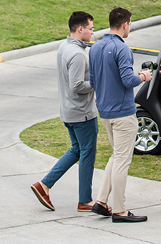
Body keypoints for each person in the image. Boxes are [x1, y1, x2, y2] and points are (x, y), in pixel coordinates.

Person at [89, 7, 153, 223]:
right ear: (125, 24)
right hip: (123, 113)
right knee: (123, 160)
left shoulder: (96, 47)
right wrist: (143, 76)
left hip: (105, 111)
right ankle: (120, 210)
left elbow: (93, 80)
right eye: (130, 23)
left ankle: (101, 201)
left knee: (116, 155)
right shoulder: (122, 48)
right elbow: (128, 80)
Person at [31, 11, 98, 213]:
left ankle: (44, 185)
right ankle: (85, 200)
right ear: (80, 29)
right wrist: (97, 82)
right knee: (88, 153)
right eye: (91, 29)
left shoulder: (64, 47)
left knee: (77, 150)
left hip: (68, 111)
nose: (93, 33)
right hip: (82, 113)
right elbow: (77, 85)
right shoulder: (77, 54)